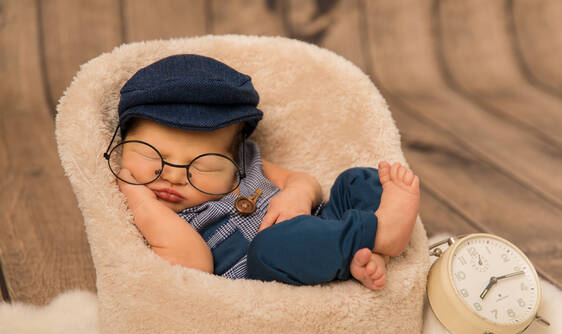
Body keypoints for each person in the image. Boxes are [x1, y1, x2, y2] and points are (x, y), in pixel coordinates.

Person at [106, 54, 420, 290]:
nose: (173, 176)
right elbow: (193, 264)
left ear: (233, 156)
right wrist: (138, 196)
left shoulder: (244, 163)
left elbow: (304, 181)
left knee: (358, 180)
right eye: (152, 157)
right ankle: (380, 234)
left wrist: (297, 195)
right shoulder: (156, 215)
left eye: (203, 165)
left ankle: (363, 248)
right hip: (269, 266)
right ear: (123, 143)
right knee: (272, 246)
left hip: (321, 223)